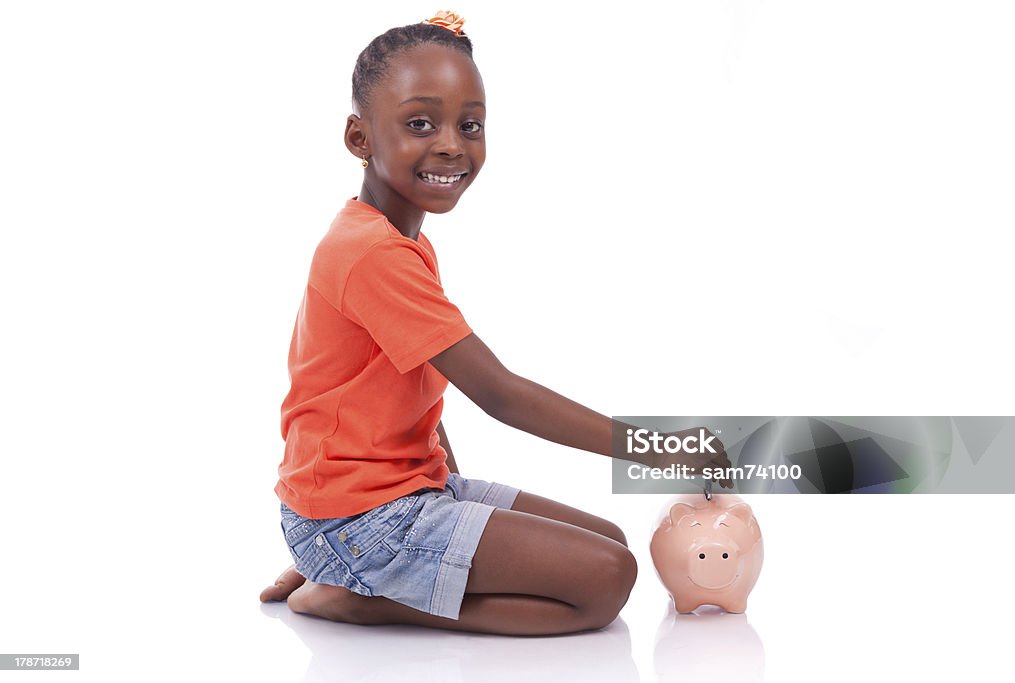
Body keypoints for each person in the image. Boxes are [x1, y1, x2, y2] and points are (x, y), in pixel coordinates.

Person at [259, 11, 731, 636]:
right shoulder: (372, 254)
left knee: (606, 540)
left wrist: (444, 489)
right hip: (357, 518)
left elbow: (403, 390)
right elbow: (501, 394)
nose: (452, 143)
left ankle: (345, 567)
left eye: (470, 124)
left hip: (389, 496)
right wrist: (660, 449)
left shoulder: (394, 240)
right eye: (420, 123)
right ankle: (350, 595)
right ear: (359, 138)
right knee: (604, 580)